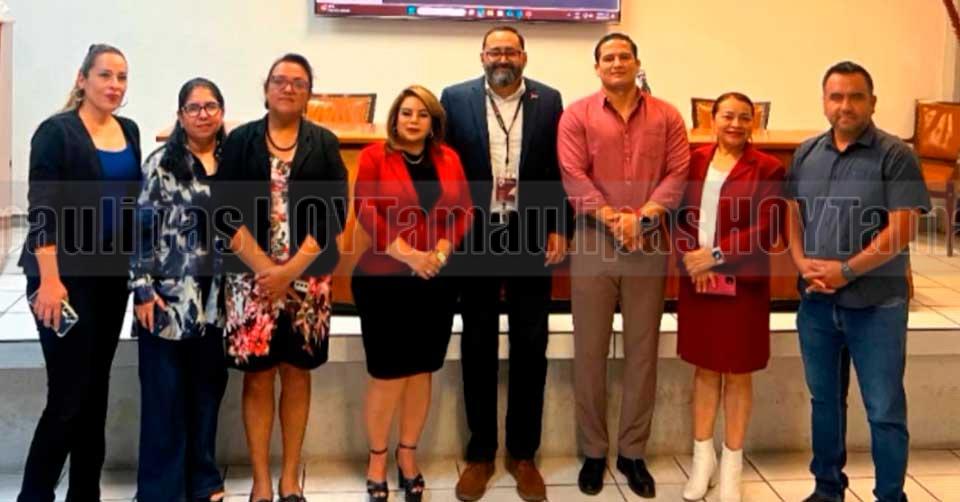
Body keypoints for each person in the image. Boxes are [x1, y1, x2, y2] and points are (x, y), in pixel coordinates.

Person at [786, 61, 930, 502]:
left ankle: (890, 495)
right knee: (825, 403)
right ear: (824, 101)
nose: (845, 105)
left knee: (884, 410)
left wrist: (845, 270)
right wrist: (802, 262)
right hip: (817, 304)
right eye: (836, 96)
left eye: (855, 96)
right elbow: (792, 213)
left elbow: (903, 229)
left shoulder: (895, 155)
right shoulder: (807, 153)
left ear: (872, 102)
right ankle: (827, 488)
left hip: (877, 306)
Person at [439, 26, 569, 502]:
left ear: (524, 57)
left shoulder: (549, 101)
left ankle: (523, 454)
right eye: (494, 50)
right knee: (477, 342)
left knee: (531, 344)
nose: (502, 58)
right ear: (482, 56)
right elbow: (443, 165)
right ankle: (480, 454)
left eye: (510, 51)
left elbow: (558, 169)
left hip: (530, 232)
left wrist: (559, 226)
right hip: (475, 232)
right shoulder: (454, 99)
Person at [557, 32, 690, 498]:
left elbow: (679, 172)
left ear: (637, 63)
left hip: (648, 243)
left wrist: (644, 218)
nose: (616, 63)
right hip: (594, 242)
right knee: (589, 351)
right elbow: (573, 175)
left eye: (624, 56)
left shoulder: (668, 115)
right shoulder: (577, 115)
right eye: (608, 58)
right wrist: (616, 219)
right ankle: (594, 451)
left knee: (642, 351)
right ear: (597, 67)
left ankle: (633, 452)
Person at [216, 53, 347, 502]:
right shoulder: (240, 142)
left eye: (298, 82)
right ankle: (260, 480)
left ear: (309, 93)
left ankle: (290, 477)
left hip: (308, 282)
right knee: (257, 377)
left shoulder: (324, 143)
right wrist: (267, 271)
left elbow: (334, 213)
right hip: (250, 281)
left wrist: (289, 271)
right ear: (266, 88)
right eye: (279, 80)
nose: (288, 88)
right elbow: (224, 212)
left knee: (296, 373)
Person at [17, 44, 141, 502]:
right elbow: (42, 210)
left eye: (122, 77)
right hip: (62, 280)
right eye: (105, 75)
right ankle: (34, 495)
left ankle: (85, 493)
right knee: (68, 396)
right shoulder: (56, 133)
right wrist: (50, 282)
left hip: (110, 279)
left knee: (95, 392)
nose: (114, 85)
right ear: (82, 78)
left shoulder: (129, 130)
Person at [352, 85, 473, 502]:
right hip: (383, 279)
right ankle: (376, 461)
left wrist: (440, 251)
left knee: (422, 371)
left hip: (435, 281)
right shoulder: (375, 156)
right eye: (406, 112)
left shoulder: (448, 158)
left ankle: (408, 456)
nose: (413, 120)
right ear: (395, 117)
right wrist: (409, 255)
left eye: (422, 114)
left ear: (433, 121)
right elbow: (365, 208)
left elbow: (464, 210)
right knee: (388, 375)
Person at [673, 92, 785, 502]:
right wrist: (692, 259)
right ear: (713, 119)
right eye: (727, 116)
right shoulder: (693, 160)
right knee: (704, 371)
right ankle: (702, 462)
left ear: (754, 122)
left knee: (738, 374)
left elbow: (767, 229)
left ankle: (732, 469)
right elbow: (678, 216)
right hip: (698, 283)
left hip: (743, 285)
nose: (735, 124)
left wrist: (715, 256)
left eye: (744, 117)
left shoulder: (768, 168)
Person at [130, 77, 229, 502]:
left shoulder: (234, 162)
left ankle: (203, 479)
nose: (203, 114)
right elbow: (140, 231)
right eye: (194, 107)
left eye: (211, 106)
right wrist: (141, 289)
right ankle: (161, 490)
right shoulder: (161, 165)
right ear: (180, 116)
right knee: (164, 399)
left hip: (218, 301)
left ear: (222, 113)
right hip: (167, 299)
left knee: (207, 393)